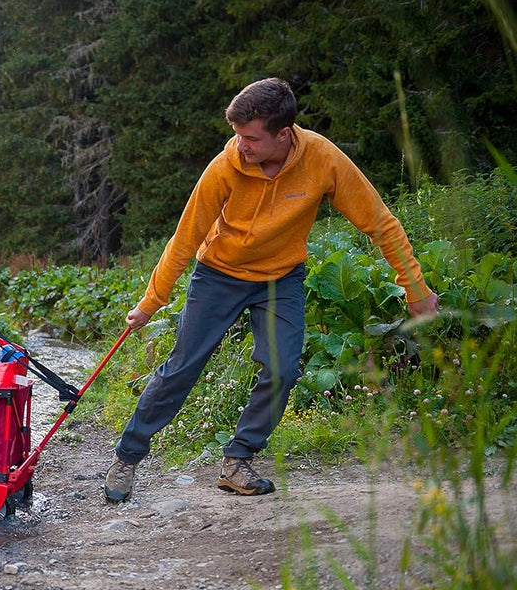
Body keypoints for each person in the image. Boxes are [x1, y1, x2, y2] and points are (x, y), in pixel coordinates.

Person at [104, 77, 439, 502]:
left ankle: (237, 459)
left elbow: (381, 223)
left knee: (282, 368)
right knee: (184, 366)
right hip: (219, 274)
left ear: (284, 134)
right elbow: (185, 239)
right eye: (237, 135)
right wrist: (150, 304)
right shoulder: (225, 167)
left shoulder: (322, 159)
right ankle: (127, 457)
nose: (240, 145)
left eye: (250, 138)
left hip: (281, 278)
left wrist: (415, 288)